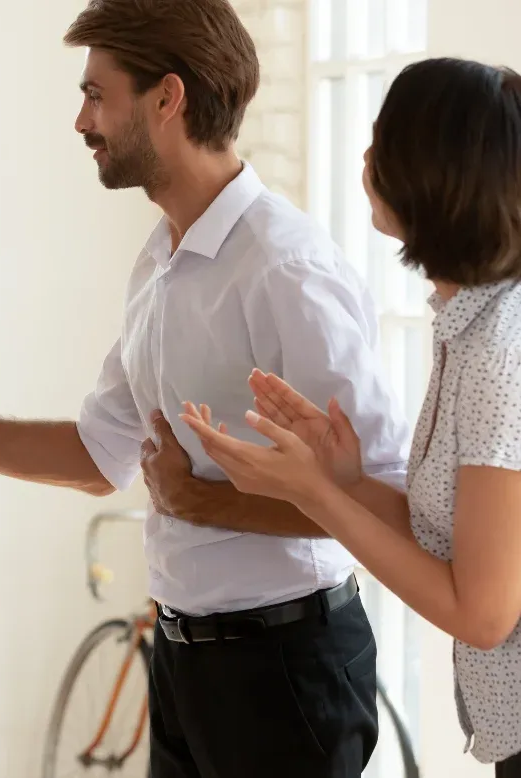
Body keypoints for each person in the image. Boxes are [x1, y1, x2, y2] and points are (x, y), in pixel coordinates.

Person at [0, 1, 413, 775]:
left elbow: (383, 502)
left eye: (97, 94)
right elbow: (99, 455)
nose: (80, 120)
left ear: (168, 99)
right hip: (187, 662)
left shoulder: (284, 269)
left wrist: (205, 502)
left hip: (285, 667)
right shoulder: (162, 261)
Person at [179, 58, 521, 777]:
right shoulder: (467, 323)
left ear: (436, 172)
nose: (365, 157)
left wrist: (317, 496)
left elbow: (485, 615)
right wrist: (348, 480)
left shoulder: (498, 349)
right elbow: (462, 540)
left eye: (384, 140)